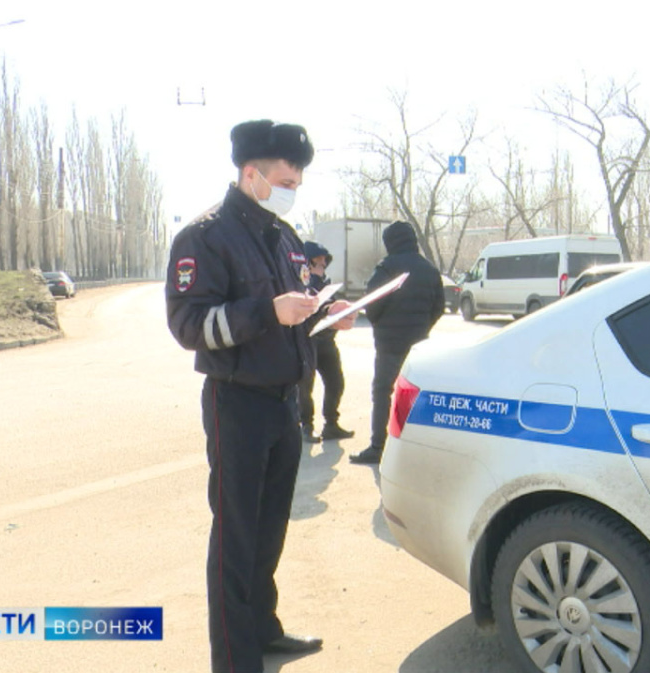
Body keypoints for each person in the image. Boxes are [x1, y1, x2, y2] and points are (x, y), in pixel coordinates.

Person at [165, 119, 355, 673]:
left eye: (298, 180)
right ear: (251, 174)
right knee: (236, 538)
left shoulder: (282, 235)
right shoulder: (205, 236)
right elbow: (188, 326)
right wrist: (266, 312)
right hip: (237, 405)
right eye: (285, 178)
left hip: (283, 405)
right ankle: (233, 656)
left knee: (270, 528)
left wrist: (325, 311)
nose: (293, 188)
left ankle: (264, 631)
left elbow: (299, 302)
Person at [349, 220, 445, 465]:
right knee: (413, 396)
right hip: (418, 345)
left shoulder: (387, 268)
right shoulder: (429, 270)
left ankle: (378, 447)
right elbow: (439, 308)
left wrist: (381, 324)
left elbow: (372, 304)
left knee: (383, 392)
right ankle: (412, 448)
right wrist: (422, 327)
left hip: (389, 345)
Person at [298, 241, 355, 443]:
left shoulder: (328, 286)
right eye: (318, 264)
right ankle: (306, 425)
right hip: (309, 342)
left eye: (324, 264)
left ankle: (331, 423)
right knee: (305, 387)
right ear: (309, 264)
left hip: (327, 342)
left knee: (336, 382)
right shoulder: (302, 284)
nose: (322, 268)